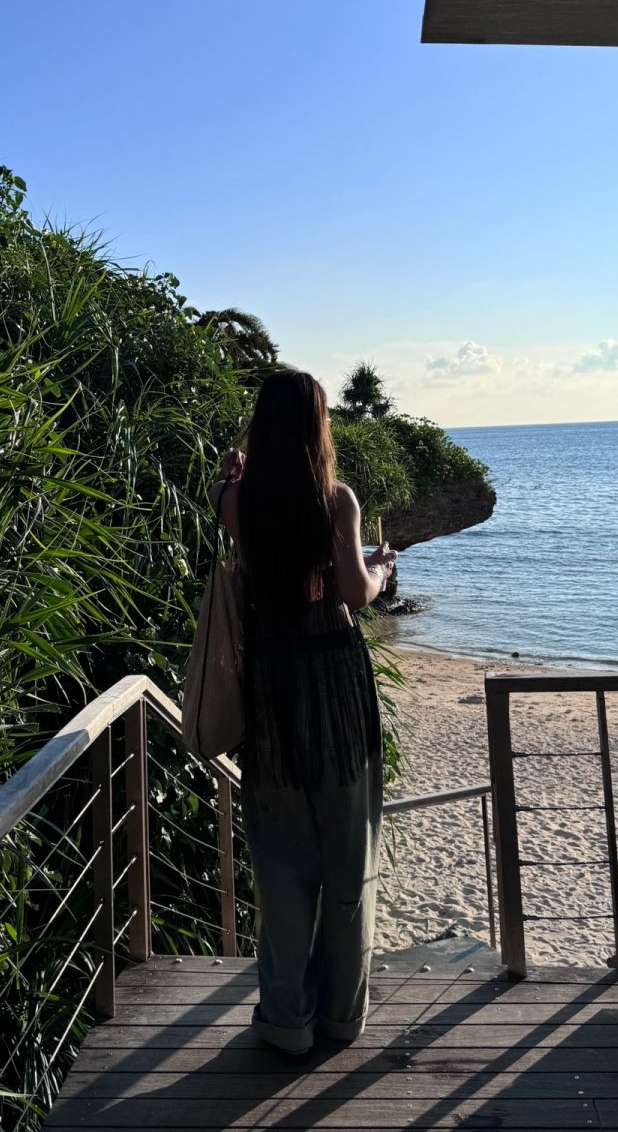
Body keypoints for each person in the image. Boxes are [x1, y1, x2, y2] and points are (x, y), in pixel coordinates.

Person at [208, 369, 397, 1056]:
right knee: (348, 854)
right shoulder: (336, 500)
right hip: (336, 689)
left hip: (270, 688)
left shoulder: (233, 502)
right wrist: (381, 569)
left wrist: (238, 473)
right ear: (319, 425)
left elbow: (234, 501)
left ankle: (286, 1019)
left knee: (281, 858)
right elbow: (353, 591)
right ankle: (341, 1016)